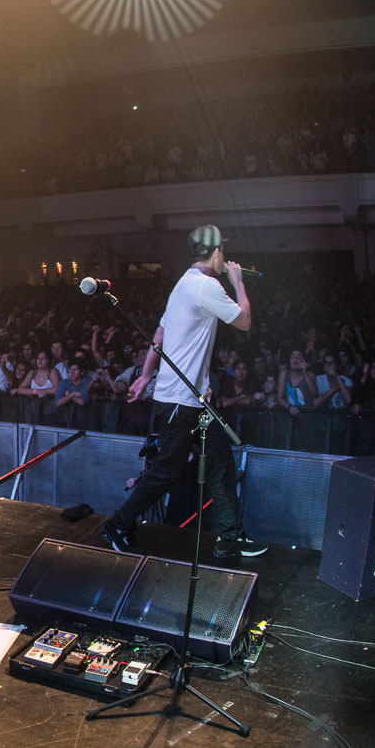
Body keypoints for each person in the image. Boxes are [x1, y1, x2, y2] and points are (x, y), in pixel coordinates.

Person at [98, 226, 267, 560]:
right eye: (223, 251)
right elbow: (245, 321)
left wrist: (146, 375)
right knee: (166, 471)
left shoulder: (183, 283)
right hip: (180, 402)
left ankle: (231, 535)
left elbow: (160, 333)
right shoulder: (207, 285)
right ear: (216, 252)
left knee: (219, 463)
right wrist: (238, 282)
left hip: (194, 400)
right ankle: (117, 525)